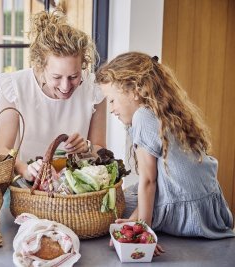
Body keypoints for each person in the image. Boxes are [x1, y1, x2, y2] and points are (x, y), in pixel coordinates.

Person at [96, 51, 234, 252]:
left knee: (111, 207)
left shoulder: (143, 117)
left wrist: (143, 231)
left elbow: (149, 180)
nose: (111, 109)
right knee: (128, 198)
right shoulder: (161, 111)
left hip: (188, 214)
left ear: (135, 90)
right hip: (211, 210)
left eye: (112, 100)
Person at [0, 9, 106, 181]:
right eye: (57, 77)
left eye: (74, 76)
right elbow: (0, 150)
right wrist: (25, 170)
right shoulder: (16, 87)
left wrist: (87, 147)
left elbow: (101, 150)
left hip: (74, 187)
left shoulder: (94, 90)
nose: (66, 86)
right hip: (25, 188)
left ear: (83, 65)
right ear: (40, 66)